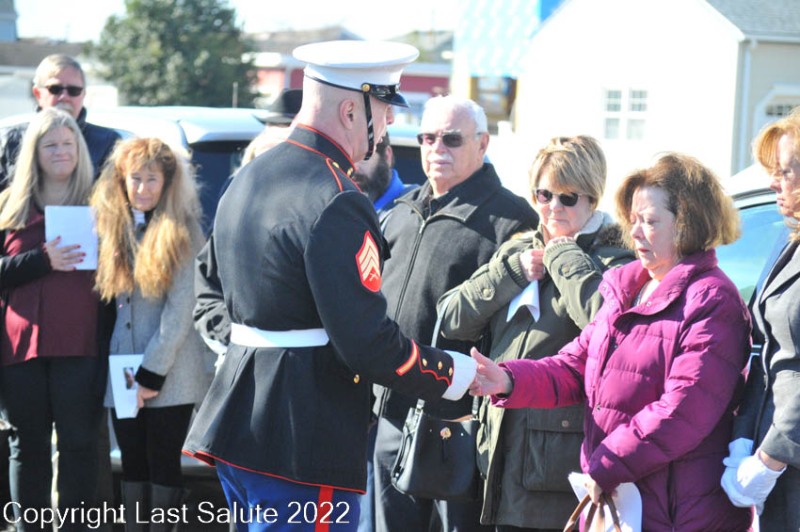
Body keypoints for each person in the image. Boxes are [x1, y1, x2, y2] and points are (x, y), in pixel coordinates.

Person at [183, 40, 478, 531]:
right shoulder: (337, 197)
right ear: (350, 110)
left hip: (241, 424)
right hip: (302, 435)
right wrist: (455, 373)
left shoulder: (251, 175)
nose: (388, 123)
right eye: (382, 109)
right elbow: (366, 343)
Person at [470, 152, 753, 531]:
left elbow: (683, 409)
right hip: (622, 502)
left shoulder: (713, 300)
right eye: (633, 220)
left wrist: (607, 464)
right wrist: (508, 379)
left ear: (688, 225)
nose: (634, 232)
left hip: (679, 514)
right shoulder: (628, 287)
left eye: (650, 221)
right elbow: (576, 365)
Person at [436, 135, 634, 531]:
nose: (553, 207)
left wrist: (563, 255)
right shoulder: (516, 250)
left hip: (557, 463)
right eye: (544, 195)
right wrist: (509, 273)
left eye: (568, 197)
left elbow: (606, 325)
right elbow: (451, 319)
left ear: (592, 199)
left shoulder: (616, 259)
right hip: (496, 452)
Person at [372, 95, 538, 532]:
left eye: (451, 139)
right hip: (390, 412)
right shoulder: (401, 211)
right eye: (427, 138)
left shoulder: (511, 220)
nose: (436, 149)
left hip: (459, 420)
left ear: (482, 143)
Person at [90, 137, 214, 531]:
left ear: (167, 183)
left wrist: (151, 374)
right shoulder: (115, 228)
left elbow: (181, 310)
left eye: (152, 179)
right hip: (123, 369)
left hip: (169, 372)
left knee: (163, 464)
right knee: (132, 463)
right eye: (135, 178)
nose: (142, 188)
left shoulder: (183, 230)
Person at [0, 108, 107, 530]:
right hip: (19, 350)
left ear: (79, 149)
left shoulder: (102, 204)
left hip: (81, 345)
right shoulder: (9, 206)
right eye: (50, 145)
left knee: (79, 444)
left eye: (68, 143)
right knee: (27, 447)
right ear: (34, 152)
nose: (61, 151)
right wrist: (41, 260)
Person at [721, 108, 800, 530]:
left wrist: (771, 458)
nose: (773, 182)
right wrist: (742, 438)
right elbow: (768, 351)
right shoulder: (788, 241)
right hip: (779, 459)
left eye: (785, 171)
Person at [0, 54, 121, 188]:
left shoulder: (108, 143)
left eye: (74, 90)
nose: (64, 97)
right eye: (55, 89)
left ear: (83, 94)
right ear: (38, 94)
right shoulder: (9, 141)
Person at [351, 132, 416, 229]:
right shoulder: (337, 210)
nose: (353, 167)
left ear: (387, 156)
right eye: (347, 157)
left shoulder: (414, 211)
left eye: (363, 157)